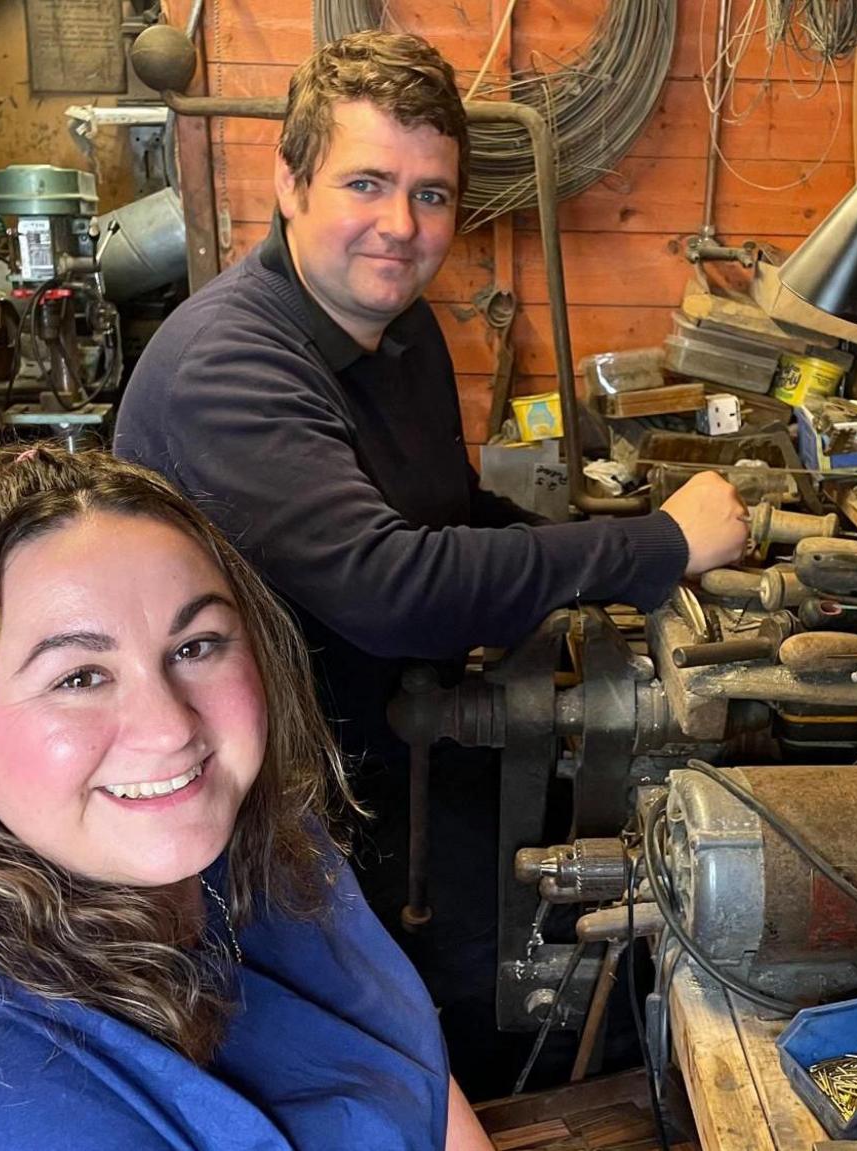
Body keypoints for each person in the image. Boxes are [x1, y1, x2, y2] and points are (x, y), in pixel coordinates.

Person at [114, 31, 750, 1091]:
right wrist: (657, 545)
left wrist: (612, 560)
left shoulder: (397, 333)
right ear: (287, 181)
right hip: (261, 835)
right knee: (415, 1044)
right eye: (366, 183)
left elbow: (453, 511)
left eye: (432, 196)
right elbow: (390, 585)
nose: (401, 227)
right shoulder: (226, 365)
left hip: (392, 757)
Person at [0, 446, 493, 1150]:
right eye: (79, 677)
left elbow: (409, 1067)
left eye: (196, 645)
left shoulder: (242, 838)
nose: (169, 727)